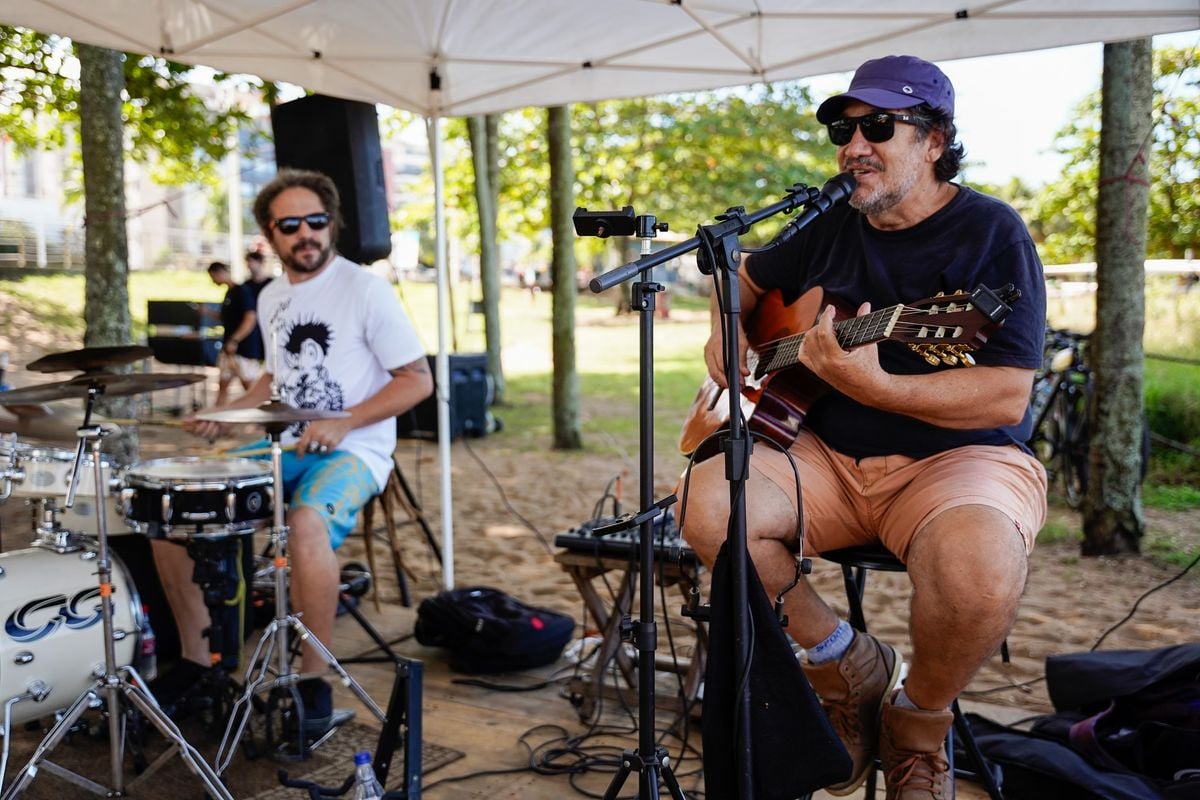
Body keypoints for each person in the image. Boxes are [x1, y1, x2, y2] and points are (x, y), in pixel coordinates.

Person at [680, 55, 1047, 800]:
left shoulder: (992, 233)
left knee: (980, 576)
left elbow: (1006, 396)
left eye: (879, 126)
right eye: (844, 130)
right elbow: (747, 277)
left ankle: (918, 724)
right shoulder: (829, 226)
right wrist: (731, 331)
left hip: (955, 460)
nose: (855, 146)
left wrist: (878, 385)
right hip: (824, 450)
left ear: (935, 141)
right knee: (706, 504)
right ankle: (844, 660)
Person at [153, 168, 433, 741]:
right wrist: (225, 416)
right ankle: (199, 661)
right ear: (269, 233)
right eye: (290, 224)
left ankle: (312, 683)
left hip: (356, 448)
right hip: (285, 442)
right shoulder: (272, 294)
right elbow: (276, 385)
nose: (306, 233)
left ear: (333, 224)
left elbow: (417, 380)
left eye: (317, 220)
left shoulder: (365, 289)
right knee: (172, 507)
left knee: (306, 523)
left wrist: (346, 421)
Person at [208, 256, 270, 406]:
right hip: (229, 349)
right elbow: (228, 318)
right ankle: (217, 419)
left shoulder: (242, 291)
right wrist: (206, 312)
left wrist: (235, 340)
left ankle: (261, 421)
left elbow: (250, 318)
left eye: (212, 277)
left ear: (219, 273)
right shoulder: (229, 293)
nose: (212, 281)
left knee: (250, 387)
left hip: (243, 348)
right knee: (222, 385)